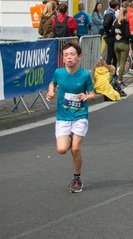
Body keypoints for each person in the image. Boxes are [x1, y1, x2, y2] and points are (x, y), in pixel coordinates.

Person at [46, 42, 96, 193]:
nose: (69, 57)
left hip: (80, 116)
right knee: (62, 149)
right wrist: (50, 92)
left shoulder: (85, 75)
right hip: (63, 117)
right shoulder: (58, 73)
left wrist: (86, 97)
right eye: (66, 55)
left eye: (72, 54)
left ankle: (77, 179)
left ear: (79, 57)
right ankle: (69, 136)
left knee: (75, 149)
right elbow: (52, 84)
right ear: (63, 58)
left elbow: (93, 94)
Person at [113, 6, 132, 84]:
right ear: (125, 14)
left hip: (116, 43)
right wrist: (132, 36)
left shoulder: (115, 22)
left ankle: (117, 76)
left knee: (118, 62)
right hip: (124, 44)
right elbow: (127, 34)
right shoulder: (125, 23)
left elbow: (112, 32)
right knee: (122, 63)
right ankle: (120, 79)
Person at [103, 0, 119, 66]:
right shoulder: (110, 14)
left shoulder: (108, 12)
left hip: (111, 36)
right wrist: (109, 31)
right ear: (116, 6)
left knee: (113, 54)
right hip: (110, 37)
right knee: (111, 55)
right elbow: (105, 24)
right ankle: (109, 71)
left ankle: (113, 71)